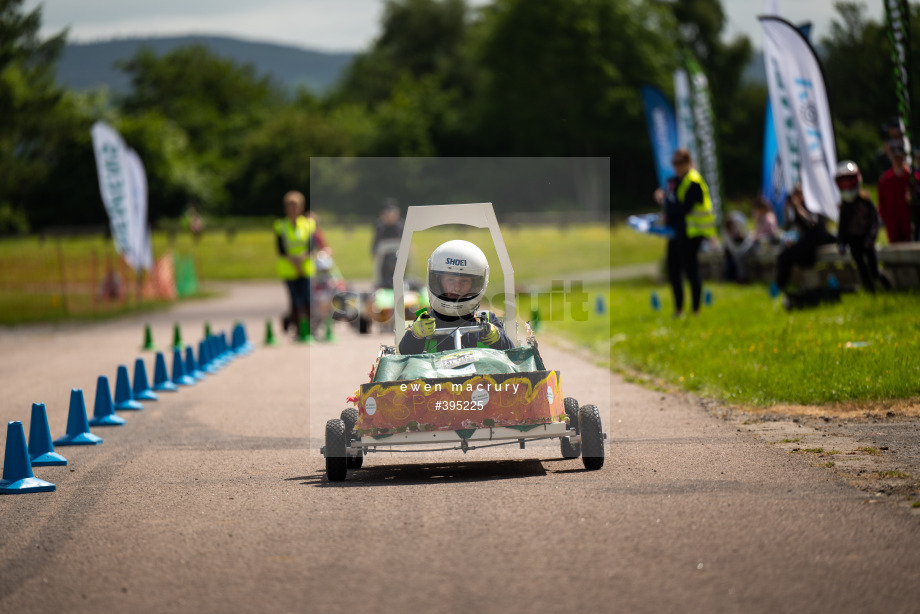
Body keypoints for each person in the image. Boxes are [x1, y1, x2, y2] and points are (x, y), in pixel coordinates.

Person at [400, 240, 514, 355]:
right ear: (438, 281)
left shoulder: (487, 320)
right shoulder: (425, 321)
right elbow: (405, 352)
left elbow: (510, 352)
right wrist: (415, 334)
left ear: (475, 284)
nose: (457, 288)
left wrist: (498, 338)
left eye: (464, 281)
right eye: (450, 280)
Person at [653, 148, 717, 317]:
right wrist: (664, 199)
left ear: (688, 162)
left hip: (692, 232)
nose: (677, 167)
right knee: (673, 270)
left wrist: (665, 202)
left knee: (691, 270)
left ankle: (696, 309)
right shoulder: (675, 181)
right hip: (676, 232)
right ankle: (678, 309)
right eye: (675, 163)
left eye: (680, 163)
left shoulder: (694, 181)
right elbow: (673, 203)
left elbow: (683, 208)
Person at [772, 184, 836, 295]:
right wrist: (788, 210)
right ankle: (781, 284)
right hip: (807, 241)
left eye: (799, 193)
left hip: (819, 238)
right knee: (785, 254)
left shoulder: (812, 205)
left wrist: (798, 208)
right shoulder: (797, 209)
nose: (797, 197)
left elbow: (812, 223)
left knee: (791, 254)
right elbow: (791, 227)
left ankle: (781, 285)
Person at [835, 161, 888, 293]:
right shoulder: (845, 206)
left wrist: (871, 237)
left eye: (849, 182)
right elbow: (842, 227)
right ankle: (871, 292)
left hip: (867, 242)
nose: (846, 186)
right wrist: (841, 243)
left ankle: (886, 286)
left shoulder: (865, 201)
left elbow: (875, 221)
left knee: (873, 269)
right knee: (862, 268)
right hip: (854, 243)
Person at [274, 190, 319, 334]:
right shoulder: (280, 225)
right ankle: (298, 327)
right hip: (289, 267)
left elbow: (311, 245)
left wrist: (302, 257)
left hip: (305, 266)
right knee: (295, 299)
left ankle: (310, 326)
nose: (293, 208)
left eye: (296, 205)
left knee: (307, 297)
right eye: (290, 205)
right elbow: (280, 248)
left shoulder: (308, 224)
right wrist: (293, 260)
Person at [878, 139, 913, 243]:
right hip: (892, 224)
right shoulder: (885, 179)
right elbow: (882, 203)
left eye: (899, 156)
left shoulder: (911, 177)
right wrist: (886, 220)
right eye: (894, 156)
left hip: (909, 222)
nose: (897, 159)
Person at [371, 199, 404, 289]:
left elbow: (403, 241)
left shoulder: (400, 225)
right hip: (384, 258)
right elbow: (376, 243)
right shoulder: (380, 226)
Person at [722, 211, 754, 283]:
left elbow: (747, 237)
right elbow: (732, 249)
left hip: (742, 246)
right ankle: (733, 277)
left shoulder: (740, 225)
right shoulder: (727, 234)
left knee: (739, 257)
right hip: (732, 251)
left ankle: (741, 277)